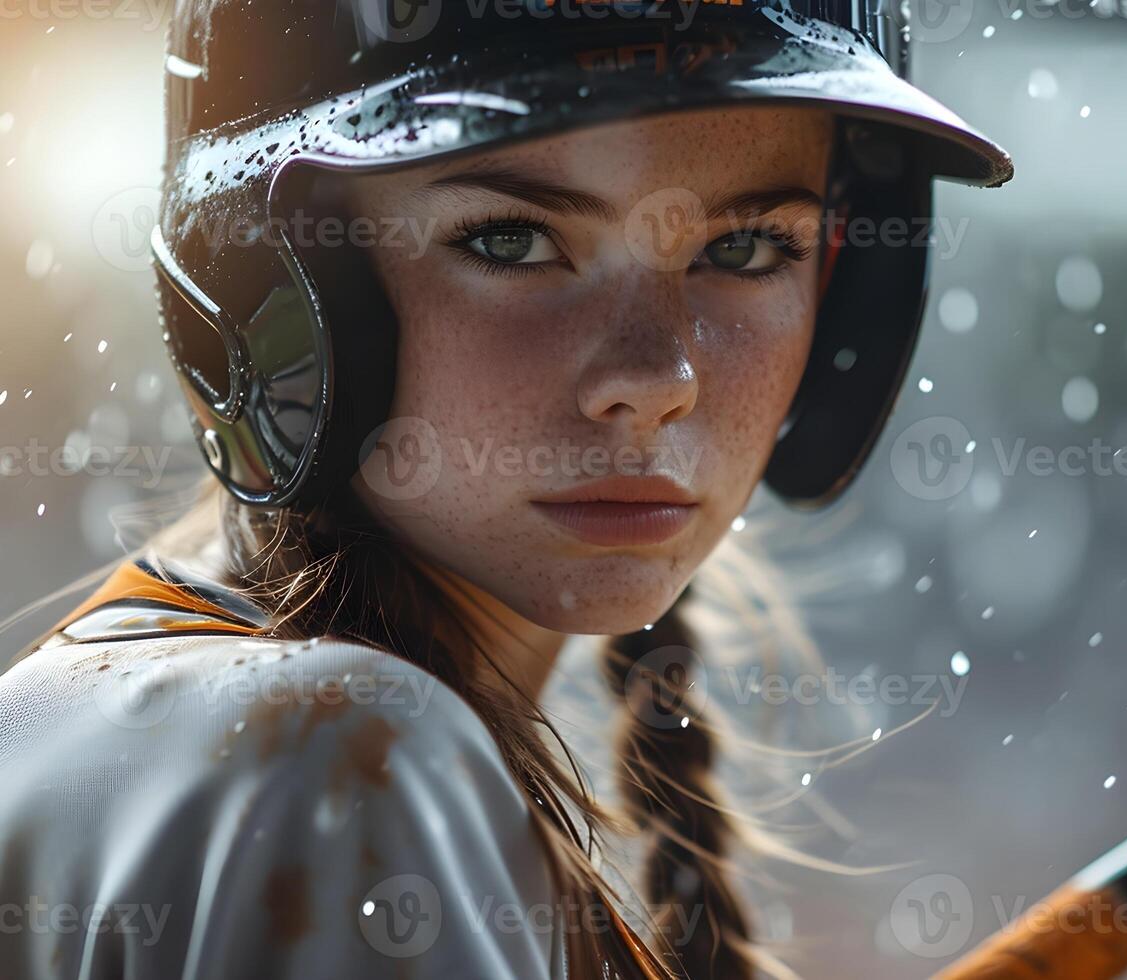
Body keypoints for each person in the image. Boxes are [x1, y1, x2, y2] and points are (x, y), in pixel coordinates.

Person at [0, 2, 1011, 978]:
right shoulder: (343, 762)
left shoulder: (110, 723)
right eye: (512, 241)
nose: (661, 379)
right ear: (264, 275)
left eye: (743, 249)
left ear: (838, 276)